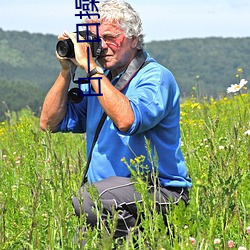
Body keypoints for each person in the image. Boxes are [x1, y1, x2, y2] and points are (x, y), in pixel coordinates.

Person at [40, 0, 192, 244]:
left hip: (159, 192)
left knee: (88, 200)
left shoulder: (154, 77)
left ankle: (146, 241)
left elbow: (127, 120)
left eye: (110, 37)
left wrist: (91, 69)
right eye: (94, 39)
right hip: (110, 199)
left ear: (133, 39)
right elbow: (49, 123)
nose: (101, 46)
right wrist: (66, 70)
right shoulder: (101, 82)